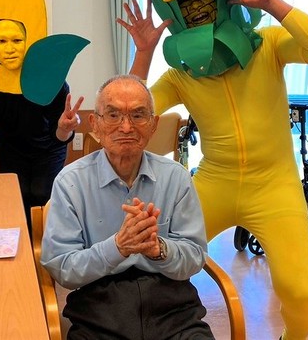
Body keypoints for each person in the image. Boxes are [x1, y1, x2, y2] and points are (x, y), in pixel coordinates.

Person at [118, 0, 308, 340]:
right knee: (151, 262)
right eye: (189, 8)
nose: (199, 14)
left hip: (275, 186)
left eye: (206, 1)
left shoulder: (267, 45)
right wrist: (143, 53)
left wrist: (271, 2)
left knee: (301, 295)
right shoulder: (182, 75)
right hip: (215, 182)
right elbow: (128, 114)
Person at [41, 75, 214, 340]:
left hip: (173, 310)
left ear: (153, 125)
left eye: (138, 115)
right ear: (94, 124)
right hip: (99, 310)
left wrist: (160, 249)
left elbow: (195, 255)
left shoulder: (175, 177)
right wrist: (118, 248)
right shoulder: (71, 182)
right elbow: (62, 267)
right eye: (113, 115)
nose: (126, 127)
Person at [0, 27, 83, 225]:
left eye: (17, 40)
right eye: (2, 41)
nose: (9, 48)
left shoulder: (51, 78)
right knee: (18, 195)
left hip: (49, 149)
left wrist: (65, 128)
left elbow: (59, 136)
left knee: (43, 193)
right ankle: (23, 241)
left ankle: (48, 241)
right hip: (11, 149)